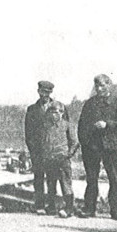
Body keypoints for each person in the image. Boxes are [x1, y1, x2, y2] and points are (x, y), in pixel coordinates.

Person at [76, 74, 117, 219]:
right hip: (92, 147)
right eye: (97, 86)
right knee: (91, 178)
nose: (99, 89)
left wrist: (108, 124)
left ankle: (116, 210)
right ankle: (89, 208)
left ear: (109, 85)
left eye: (102, 86)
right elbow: (81, 124)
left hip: (111, 146)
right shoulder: (89, 103)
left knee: (114, 178)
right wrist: (84, 142)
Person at [25, 81, 69, 214]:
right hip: (38, 150)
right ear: (38, 91)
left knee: (52, 178)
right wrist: (33, 150)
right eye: (43, 92)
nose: (45, 95)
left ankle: (51, 205)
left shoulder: (59, 107)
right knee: (38, 178)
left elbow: (64, 129)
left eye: (48, 93)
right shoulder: (32, 109)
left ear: (51, 93)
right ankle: (39, 205)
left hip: (53, 151)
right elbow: (28, 132)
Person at [40, 103, 79, 217]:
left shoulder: (67, 125)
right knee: (51, 184)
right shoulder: (46, 126)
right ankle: (51, 207)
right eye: (51, 112)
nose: (54, 115)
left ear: (62, 113)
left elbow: (74, 142)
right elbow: (43, 142)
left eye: (56, 112)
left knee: (65, 183)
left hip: (62, 159)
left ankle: (69, 208)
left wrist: (68, 154)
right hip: (50, 159)